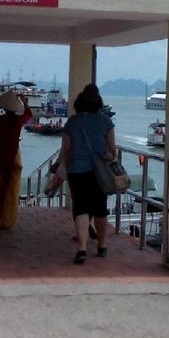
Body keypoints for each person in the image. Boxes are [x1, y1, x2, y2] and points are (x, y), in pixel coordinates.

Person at [59, 83, 115, 264]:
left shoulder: (72, 122)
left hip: (77, 170)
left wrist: (65, 167)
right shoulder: (106, 121)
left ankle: (82, 248)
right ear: (99, 102)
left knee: (81, 208)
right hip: (100, 172)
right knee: (100, 209)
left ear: (80, 101)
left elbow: (67, 148)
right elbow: (112, 151)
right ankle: (102, 245)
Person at [0, 90, 32, 230]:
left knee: (0, 188)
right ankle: (9, 218)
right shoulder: (18, 121)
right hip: (14, 157)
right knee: (12, 189)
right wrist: (24, 102)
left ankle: (1, 214)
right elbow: (28, 114)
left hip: (0, 157)